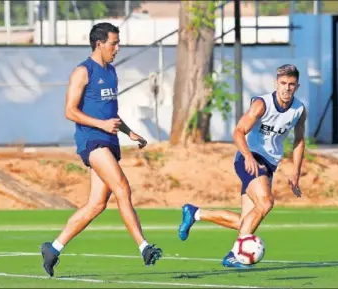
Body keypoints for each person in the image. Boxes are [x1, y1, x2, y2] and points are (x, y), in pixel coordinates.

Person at [40, 22, 163, 277]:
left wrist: (129, 132)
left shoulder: (112, 72)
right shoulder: (82, 72)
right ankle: (144, 246)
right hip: (91, 140)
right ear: (99, 44)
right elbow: (69, 111)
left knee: (96, 204)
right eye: (114, 43)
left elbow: (110, 112)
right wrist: (102, 125)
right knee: (122, 187)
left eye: (118, 43)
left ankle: (52, 248)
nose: (117, 48)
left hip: (109, 140)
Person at [178, 64, 306, 268]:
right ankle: (234, 256)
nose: (286, 88)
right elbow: (238, 131)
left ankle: (195, 213)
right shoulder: (262, 105)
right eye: (283, 83)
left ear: (297, 86)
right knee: (265, 203)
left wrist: (296, 170)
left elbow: (299, 140)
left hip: (269, 164)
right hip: (251, 158)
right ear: (276, 83)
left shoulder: (299, 110)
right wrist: (247, 156)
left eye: (291, 84)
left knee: (245, 223)